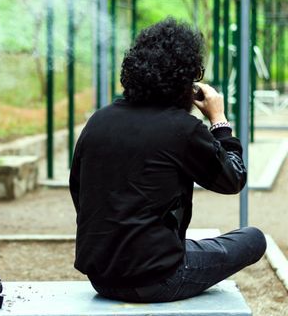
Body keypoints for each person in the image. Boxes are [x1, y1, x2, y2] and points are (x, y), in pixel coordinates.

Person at [69, 17, 266, 303]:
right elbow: (233, 179)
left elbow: (79, 190)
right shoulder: (182, 128)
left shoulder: (99, 119)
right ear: (186, 79)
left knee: (187, 244)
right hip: (158, 279)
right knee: (253, 238)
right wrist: (219, 121)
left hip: (101, 277)